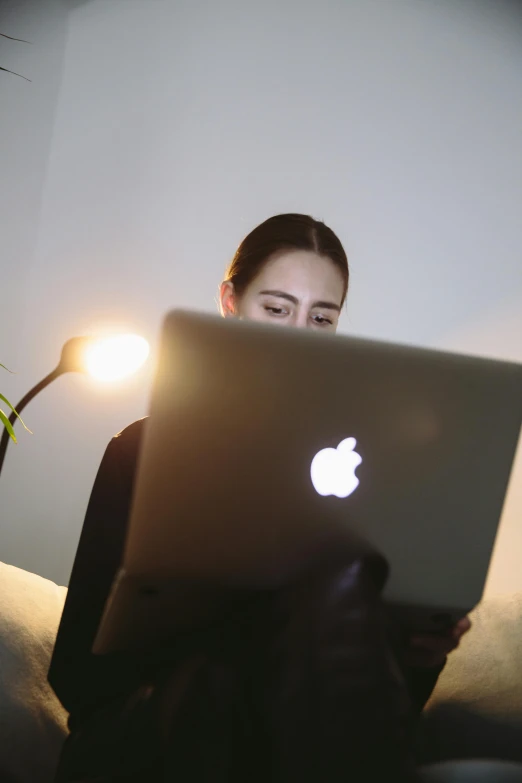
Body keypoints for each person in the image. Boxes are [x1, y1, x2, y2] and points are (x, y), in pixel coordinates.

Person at [49, 214, 471, 783]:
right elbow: (76, 677)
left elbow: (379, 703)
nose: (298, 334)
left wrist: (421, 656)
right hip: (145, 728)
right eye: (276, 309)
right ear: (230, 303)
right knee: (235, 681)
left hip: (290, 736)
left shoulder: (355, 475)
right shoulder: (141, 450)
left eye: (321, 317)